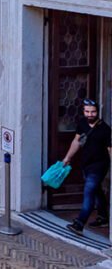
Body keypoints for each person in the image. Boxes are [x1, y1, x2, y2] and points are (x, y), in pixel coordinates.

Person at [64, 99, 112, 234]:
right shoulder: (82, 123)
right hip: (86, 164)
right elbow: (76, 141)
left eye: (93, 112)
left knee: (89, 192)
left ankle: (79, 224)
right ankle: (103, 218)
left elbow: (110, 150)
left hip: (99, 166)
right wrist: (67, 158)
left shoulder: (105, 129)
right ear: (83, 111)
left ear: (97, 111)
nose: (90, 114)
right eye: (87, 112)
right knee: (96, 190)